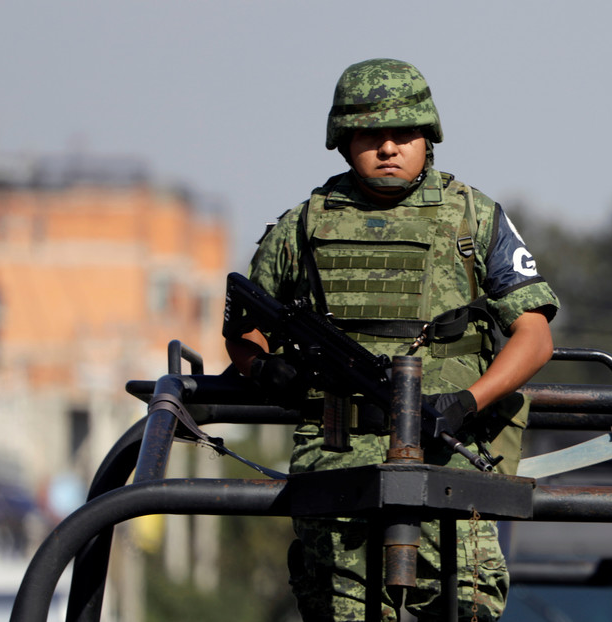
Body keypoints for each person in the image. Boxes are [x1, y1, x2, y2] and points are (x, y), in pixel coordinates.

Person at [224, 58, 559, 622]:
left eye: (404, 133)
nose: (388, 148)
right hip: (338, 465)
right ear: (342, 141)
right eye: (371, 135)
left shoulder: (474, 219)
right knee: (342, 609)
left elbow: (535, 336)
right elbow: (243, 327)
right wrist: (262, 370)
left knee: (466, 605)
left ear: (428, 137)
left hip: (448, 458)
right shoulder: (304, 226)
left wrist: (466, 402)